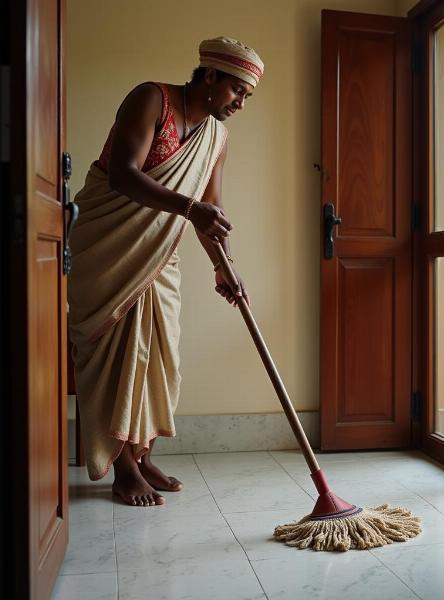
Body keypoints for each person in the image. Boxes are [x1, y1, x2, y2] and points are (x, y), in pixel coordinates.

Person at [68, 36, 264, 507]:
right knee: (118, 355)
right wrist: (190, 208)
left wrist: (225, 267)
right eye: (238, 90)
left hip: (160, 254)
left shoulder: (216, 136)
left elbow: (210, 209)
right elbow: (122, 173)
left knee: (159, 356)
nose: (240, 103)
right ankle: (123, 467)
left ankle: (143, 451)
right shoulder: (151, 98)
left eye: (247, 97)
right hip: (108, 245)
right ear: (211, 75)